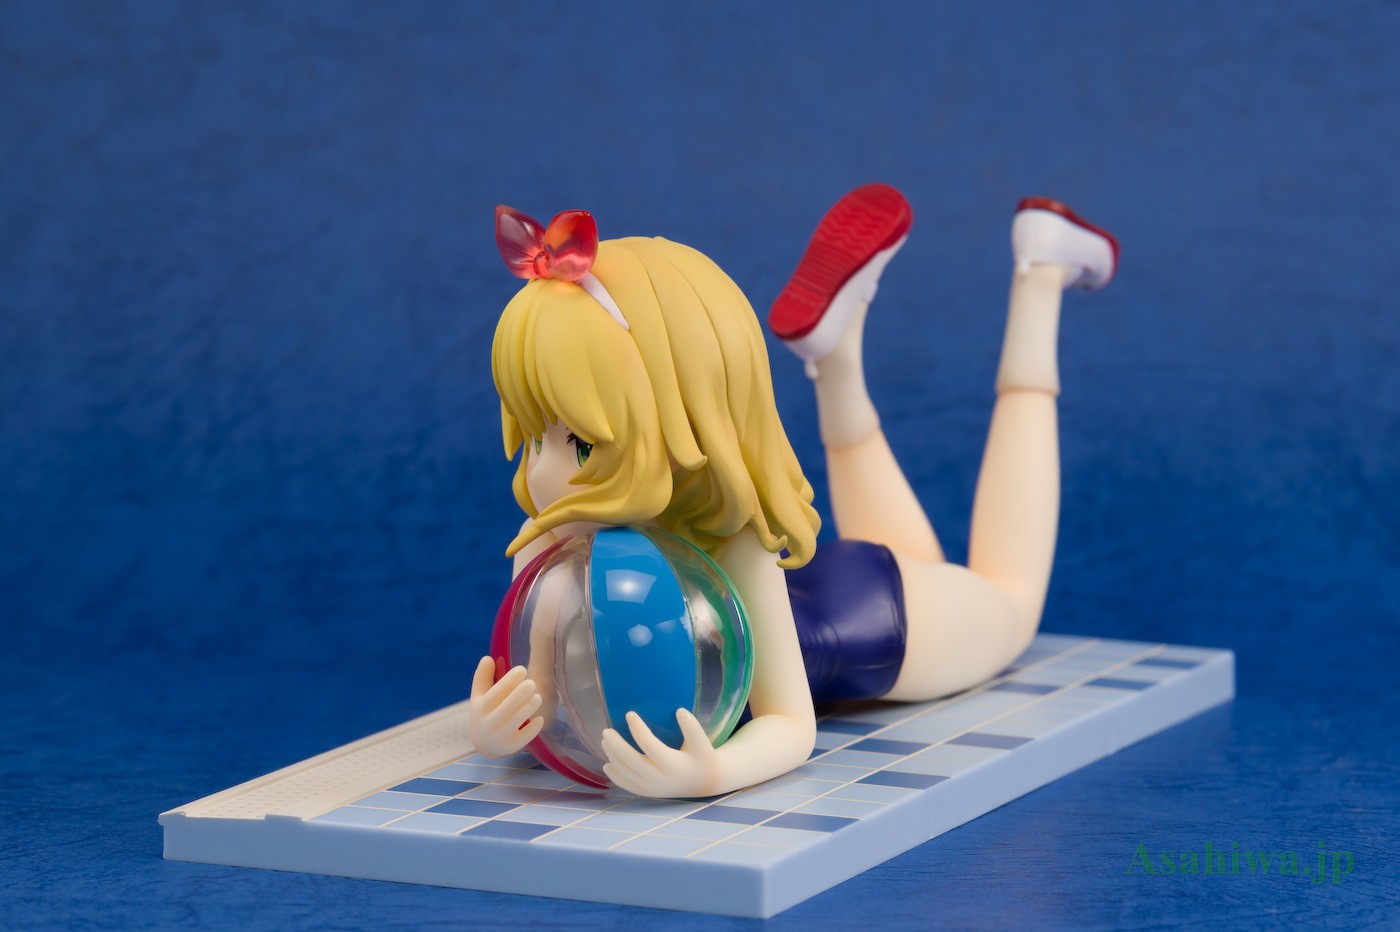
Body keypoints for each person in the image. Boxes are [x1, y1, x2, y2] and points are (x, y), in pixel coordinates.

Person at [467, 186, 1118, 799]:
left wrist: (712, 771)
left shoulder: (735, 541)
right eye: (532, 437)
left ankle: (1040, 275)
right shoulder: (550, 546)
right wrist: (497, 730)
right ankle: (834, 357)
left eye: (581, 443)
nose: (543, 475)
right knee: (926, 559)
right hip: (834, 579)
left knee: (1012, 599)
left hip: (883, 624)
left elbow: (790, 725)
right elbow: (538, 692)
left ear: (687, 418)